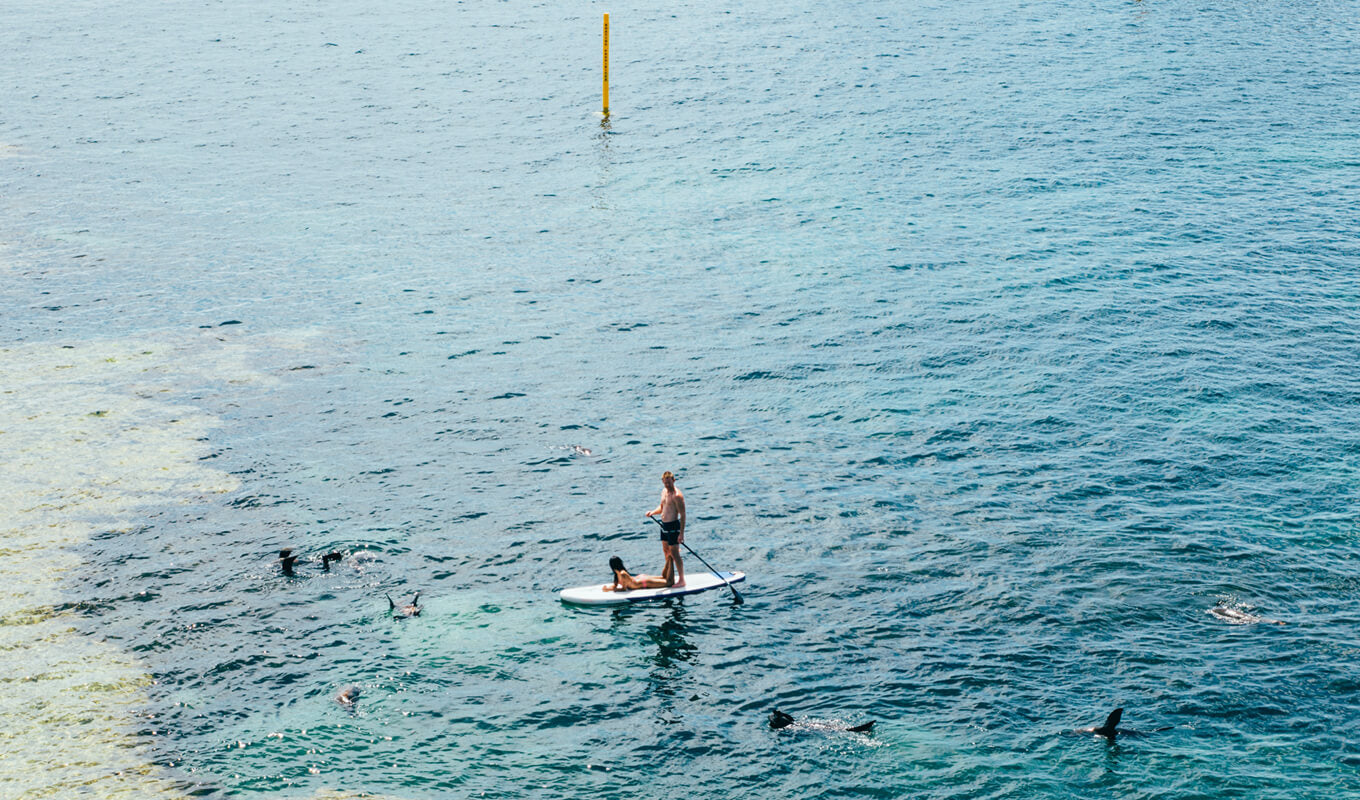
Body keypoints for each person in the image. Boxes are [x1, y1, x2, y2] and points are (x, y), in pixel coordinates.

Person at [644, 470, 686, 587]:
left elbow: (682, 515)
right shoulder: (663, 492)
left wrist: (681, 534)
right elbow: (662, 508)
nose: (667, 485)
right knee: (666, 551)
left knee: (674, 553)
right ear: (663, 482)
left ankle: (682, 579)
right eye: (665, 483)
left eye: (669, 483)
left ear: (674, 480)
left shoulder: (677, 496)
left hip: (673, 526)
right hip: (664, 525)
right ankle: (670, 576)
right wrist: (652, 512)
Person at [602, 556, 671, 592]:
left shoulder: (622, 574)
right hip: (638, 578)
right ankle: (669, 558)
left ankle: (670, 559)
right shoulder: (616, 574)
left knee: (669, 582)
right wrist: (607, 588)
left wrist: (610, 590)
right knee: (663, 577)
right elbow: (615, 585)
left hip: (643, 582)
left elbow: (623, 589)